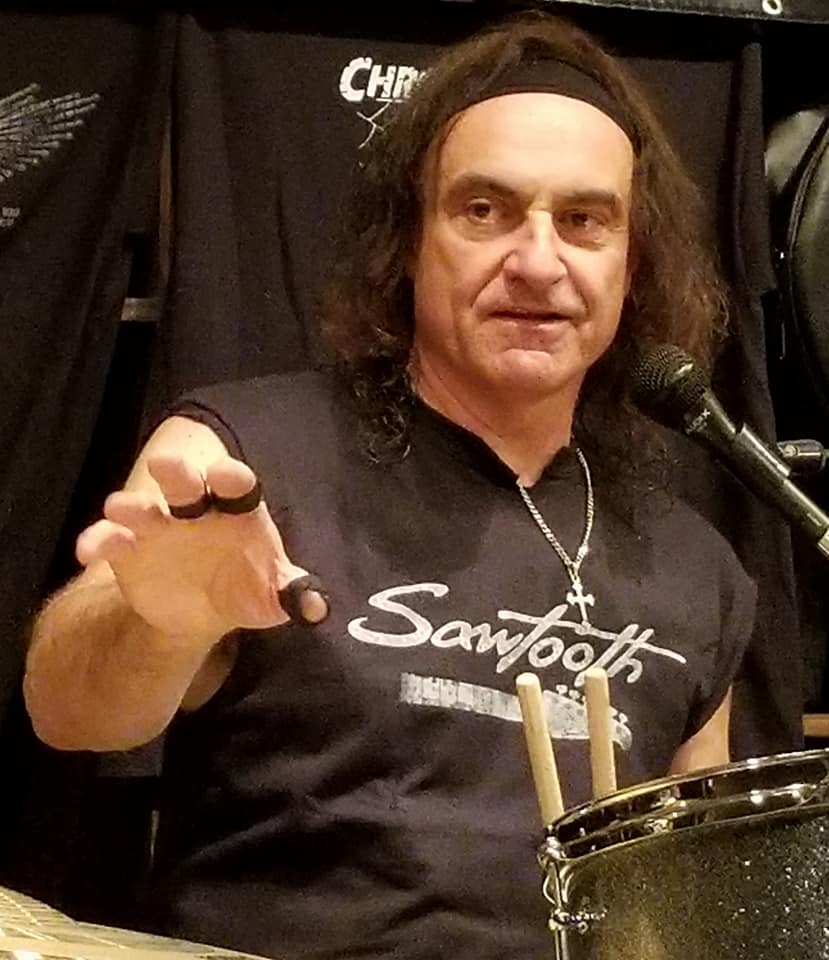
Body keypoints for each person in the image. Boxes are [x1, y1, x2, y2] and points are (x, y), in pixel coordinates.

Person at [24, 10, 756, 960]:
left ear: (630, 264)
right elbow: (68, 711)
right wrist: (157, 624)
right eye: (484, 210)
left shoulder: (695, 568)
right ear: (410, 240)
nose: (538, 262)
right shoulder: (246, 458)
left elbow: (694, 901)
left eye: (584, 220)